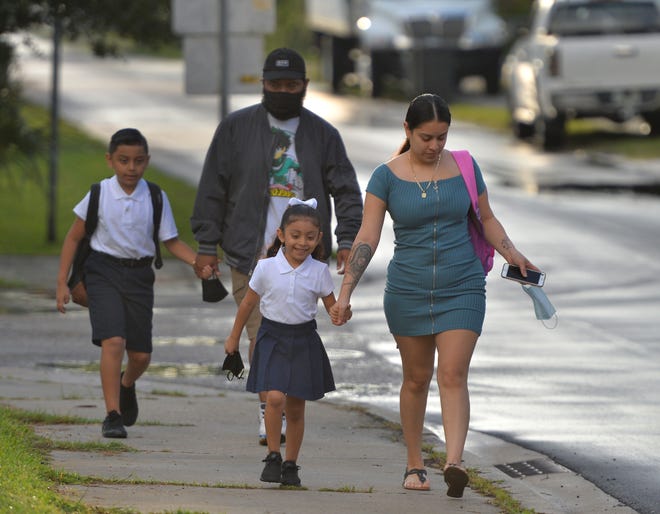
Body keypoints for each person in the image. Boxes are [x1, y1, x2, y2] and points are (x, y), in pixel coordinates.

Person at [330, 94, 539, 497]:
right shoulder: (385, 176)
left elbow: (487, 217)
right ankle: (414, 464)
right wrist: (345, 294)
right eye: (426, 137)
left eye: (442, 137)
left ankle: (454, 462)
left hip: (462, 285)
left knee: (453, 374)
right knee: (416, 378)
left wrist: (512, 253)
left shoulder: (464, 165)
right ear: (407, 131)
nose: (435, 146)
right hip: (407, 290)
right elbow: (367, 236)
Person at [191, 47, 363, 445]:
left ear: (304, 87)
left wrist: (347, 238)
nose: (283, 91)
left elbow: (346, 189)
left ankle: (281, 403)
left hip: (307, 256)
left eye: (291, 85)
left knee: (295, 331)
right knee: (262, 332)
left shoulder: (323, 135)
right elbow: (212, 188)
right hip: (250, 254)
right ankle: (270, 408)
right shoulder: (236, 129)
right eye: (275, 84)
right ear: (263, 84)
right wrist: (205, 244)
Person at [56, 128, 212, 439]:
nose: (131, 168)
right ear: (110, 160)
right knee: (113, 341)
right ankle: (112, 415)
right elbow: (74, 237)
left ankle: (127, 384)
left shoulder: (155, 196)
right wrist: (62, 282)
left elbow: (171, 241)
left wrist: (198, 262)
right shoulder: (99, 194)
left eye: (138, 161)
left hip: (140, 276)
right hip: (102, 271)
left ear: (147, 161)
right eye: (123, 160)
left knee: (141, 356)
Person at [224, 198, 350, 486]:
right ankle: (272, 455)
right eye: (295, 236)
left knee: (295, 407)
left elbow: (332, 308)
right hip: (272, 337)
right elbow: (247, 305)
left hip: (304, 340)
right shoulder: (266, 267)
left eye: (309, 237)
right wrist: (233, 337)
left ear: (319, 239)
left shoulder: (319, 271)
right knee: (275, 398)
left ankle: (291, 463)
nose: (302, 243)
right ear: (281, 235)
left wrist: (342, 312)